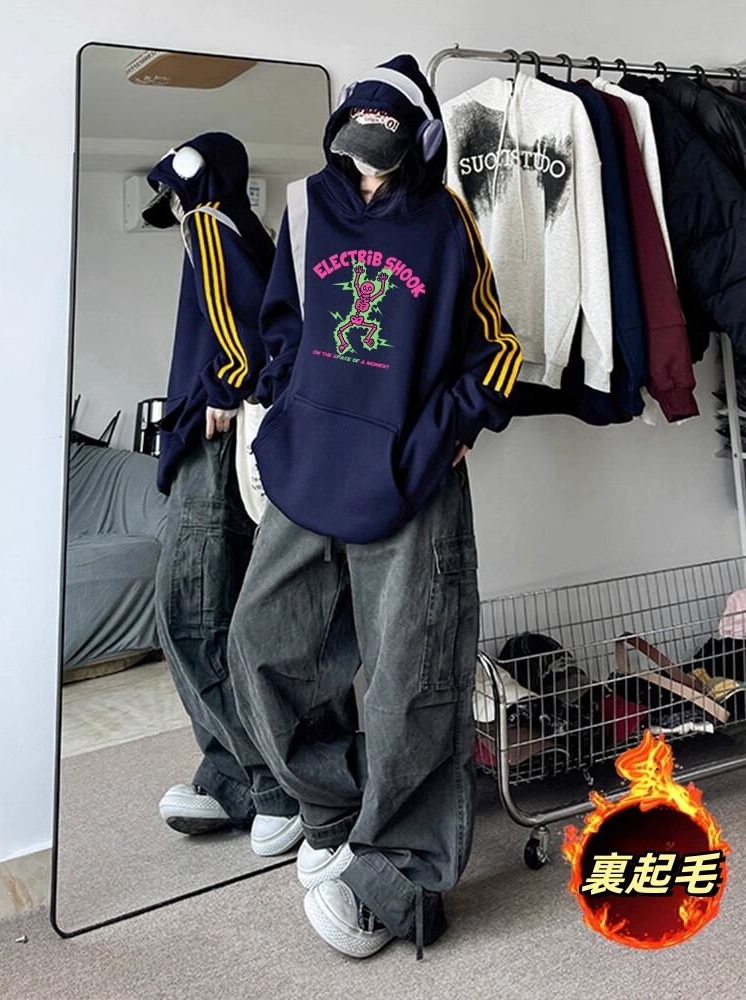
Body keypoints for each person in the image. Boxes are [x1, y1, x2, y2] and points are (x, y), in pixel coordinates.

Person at [228, 55, 523, 956]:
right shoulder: (306, 206)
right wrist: (290, 405)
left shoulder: (447, 218)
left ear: (419, 146)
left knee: (413, 683)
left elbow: (499, 348)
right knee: (262, 643)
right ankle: (340, 807)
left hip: (411, 474)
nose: (366, 174)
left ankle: (399, 884)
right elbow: (282, 326)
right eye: (355, 155)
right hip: (312, 464)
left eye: (383, 159)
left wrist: (451, 429)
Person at [143, 133, 301, 856]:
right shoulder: (246, 226)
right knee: (219, 613)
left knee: (192, 617)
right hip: (221, 443)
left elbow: (244, 323)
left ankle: (271, 787)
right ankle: (232, 776)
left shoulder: (208, 222)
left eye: (173, 194)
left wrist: (223, 382)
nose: (173, 209)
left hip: (210, 442)